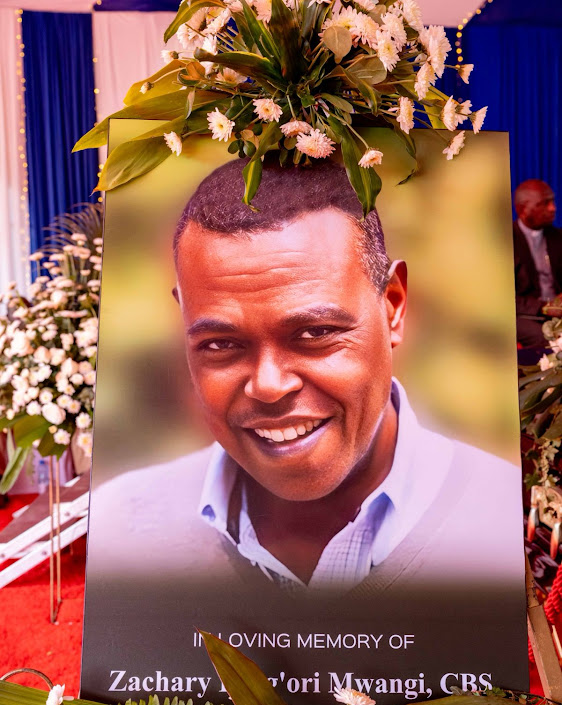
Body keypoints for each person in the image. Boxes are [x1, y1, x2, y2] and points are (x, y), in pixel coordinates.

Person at [88, 159, 524, 596]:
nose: (269, 385)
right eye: (221, 344)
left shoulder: (504, 516)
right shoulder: (126, 528)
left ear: (392, 306)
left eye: (315, 333)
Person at [513, 179, 562, 348]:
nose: (553, 208)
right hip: (524, 314)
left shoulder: (557, 237)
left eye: (552, 201)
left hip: (558, 312)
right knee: (547, 341)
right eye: (544, 203)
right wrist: (544, 307)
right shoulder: (506, 242)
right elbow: (500, 298)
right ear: (522, 209)